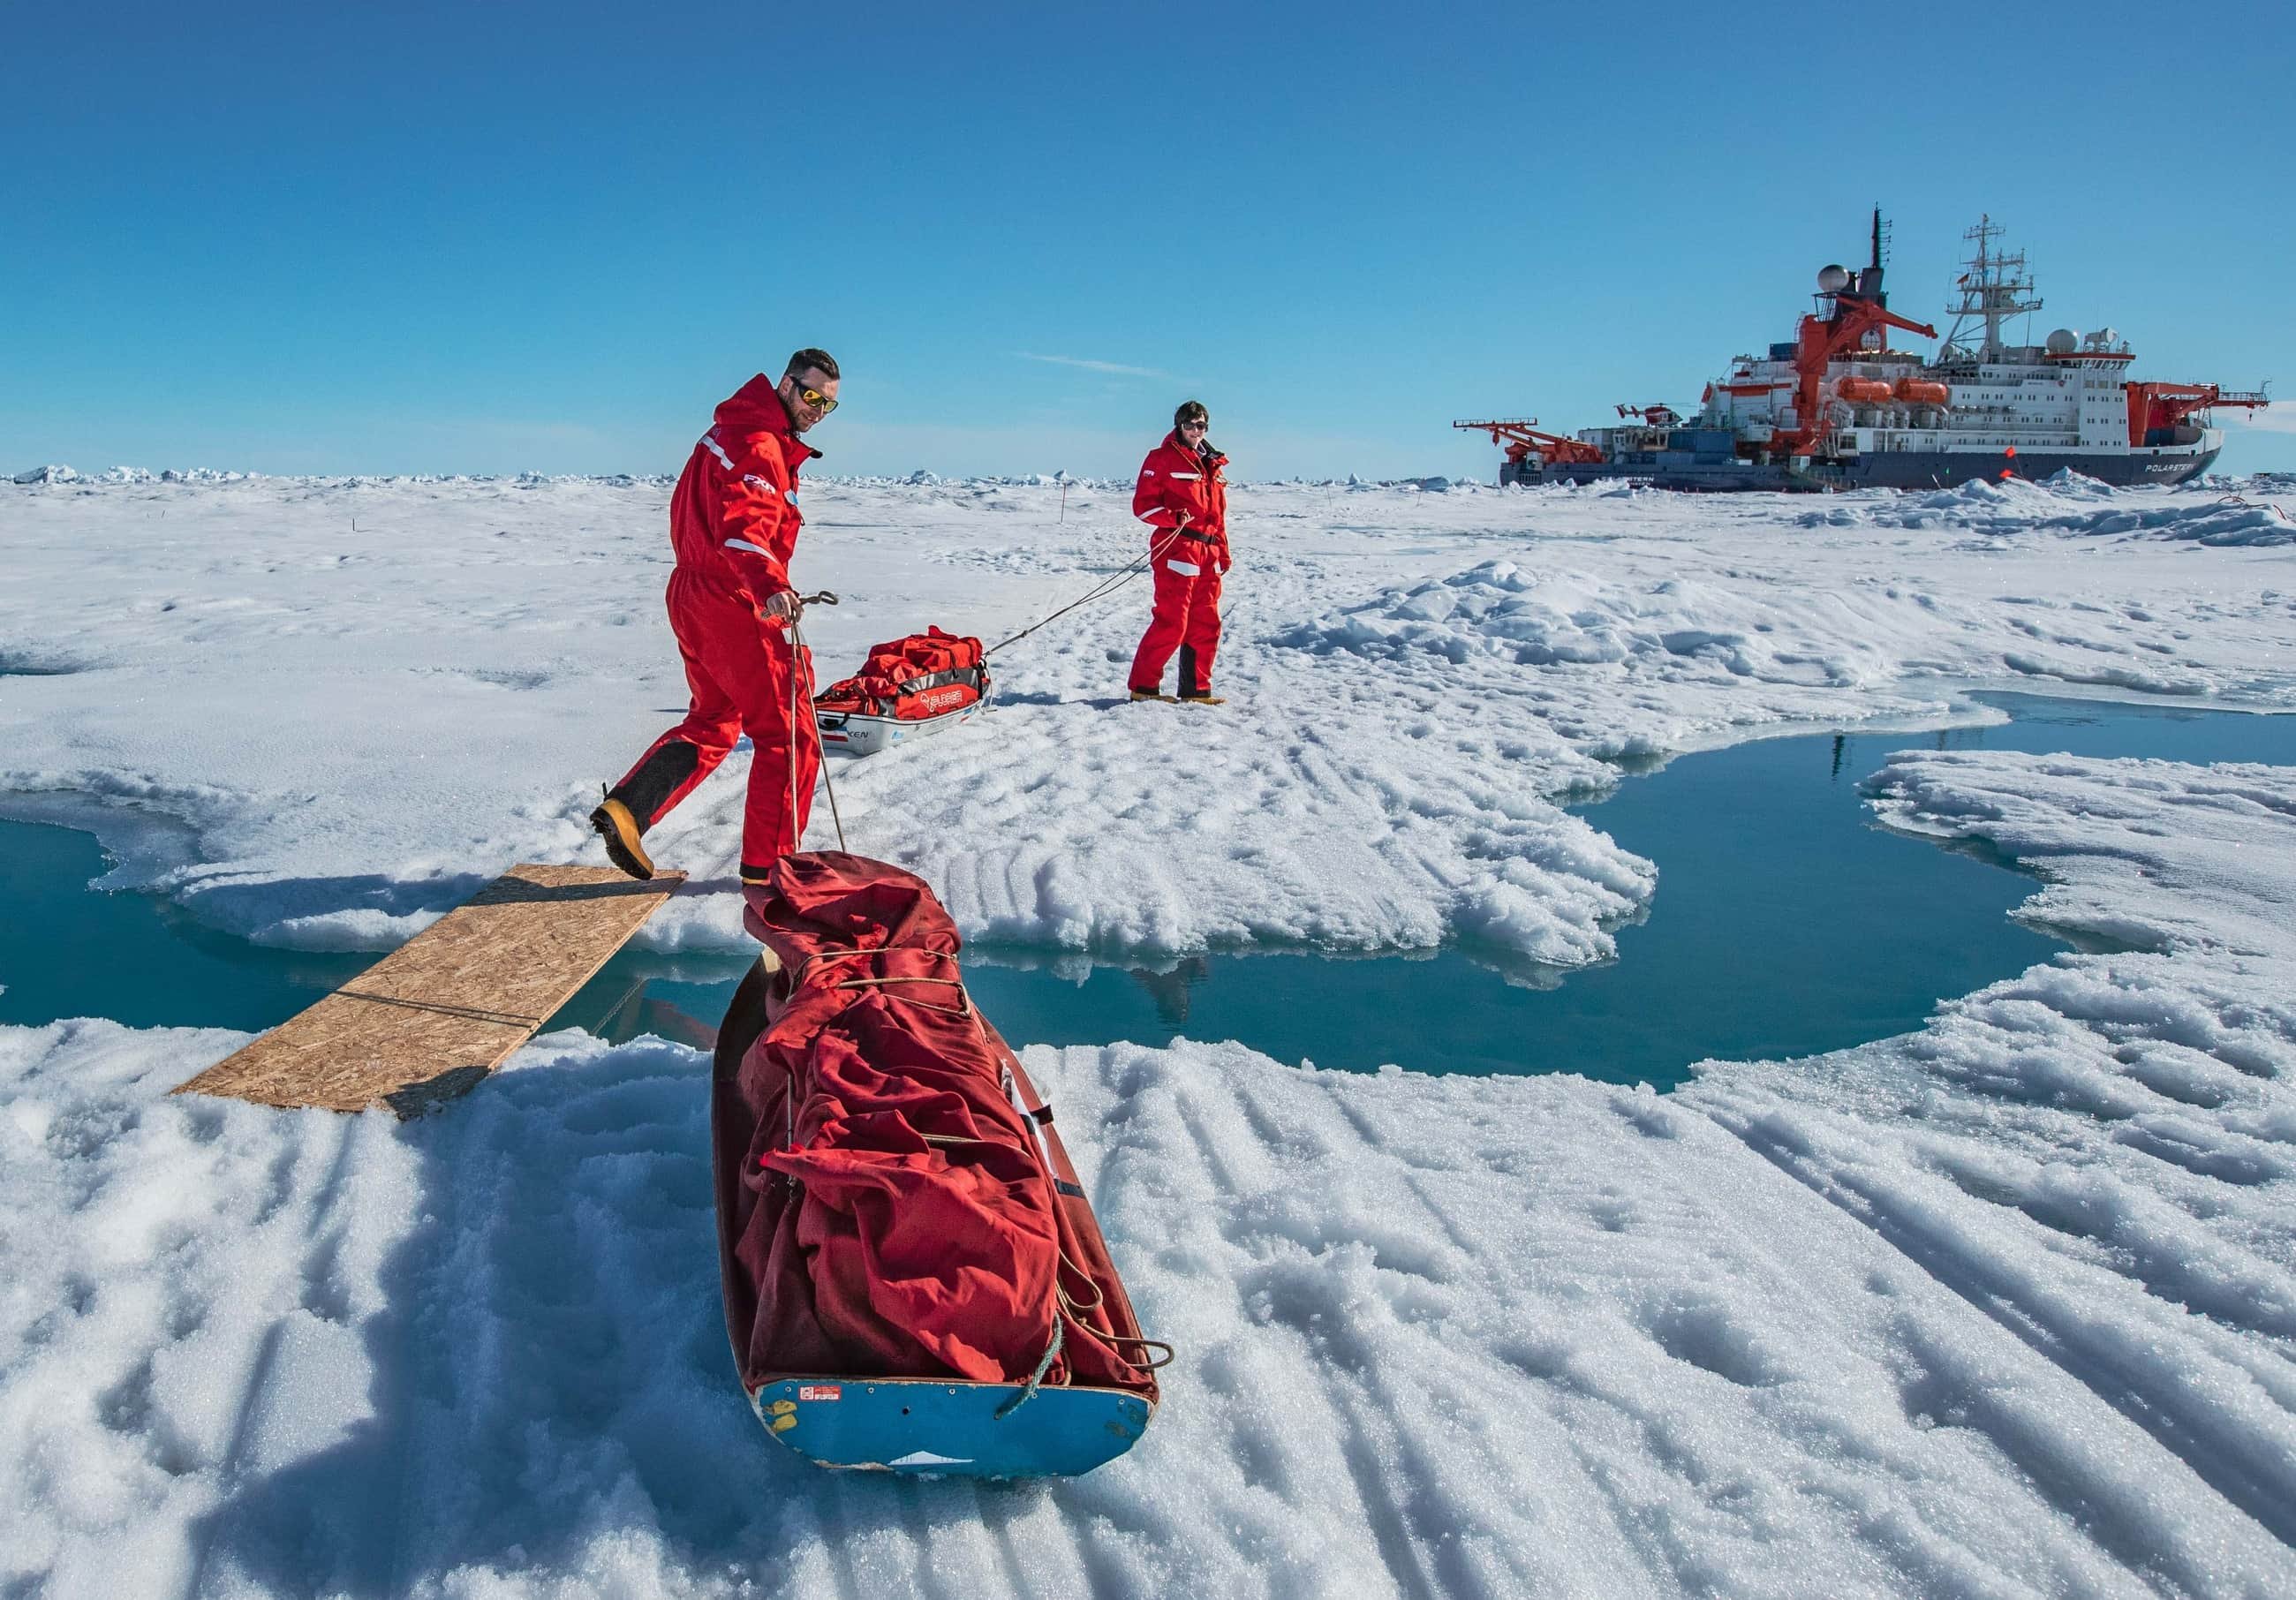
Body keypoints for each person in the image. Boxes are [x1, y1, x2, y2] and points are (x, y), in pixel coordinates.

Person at [590, 351, 841, 884]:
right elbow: (745, 528)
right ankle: (769, 873)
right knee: (790, 734)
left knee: (716, 721)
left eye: (829, 405)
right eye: (812, 396)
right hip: (734, 598)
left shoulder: (731, 432)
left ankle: (629, 810)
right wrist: (769, 586)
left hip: (693, 593)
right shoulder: (759, 445)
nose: (818, 410)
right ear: (786, 384)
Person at [1127, 400, 1230, 704]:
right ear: (1178, 426)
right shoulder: (1161, 459)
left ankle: (1197, 690)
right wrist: (1171, 518)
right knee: (1172, 622)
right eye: (1190, 425)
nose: (1195, 431)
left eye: (1201, 426)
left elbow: (1218, 516)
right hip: (1176, 546)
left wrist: (1222, 549)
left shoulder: (1213, 463)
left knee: (1207, 623)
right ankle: (1144, 688)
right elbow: (1142, 507)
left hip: (1208, 551)